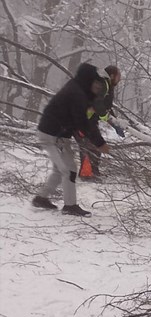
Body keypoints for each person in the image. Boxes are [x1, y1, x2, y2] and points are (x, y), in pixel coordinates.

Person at [31, 62, 110, 217]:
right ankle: (70, 206)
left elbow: (86, 121)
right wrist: (99, 143)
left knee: (64, 170)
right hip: (51, 136)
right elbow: (82, 122)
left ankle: (41, 198)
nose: (98, 87)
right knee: (67, 170)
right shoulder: (76, 94)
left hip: (59, 136)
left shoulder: (80, 90)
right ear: (88, 81)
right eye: (96, 83)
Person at [79, 65, 123, 181]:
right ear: (112, 75)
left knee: (95, 147)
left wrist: (115, 123)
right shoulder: (102, 83)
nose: (120, 79)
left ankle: (93, 172)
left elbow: (105, 106)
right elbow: (97, 103)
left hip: (89, 120)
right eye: (119, 76)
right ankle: (86, 174)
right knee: (88, 146)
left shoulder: (107, 84)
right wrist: (105, 117)